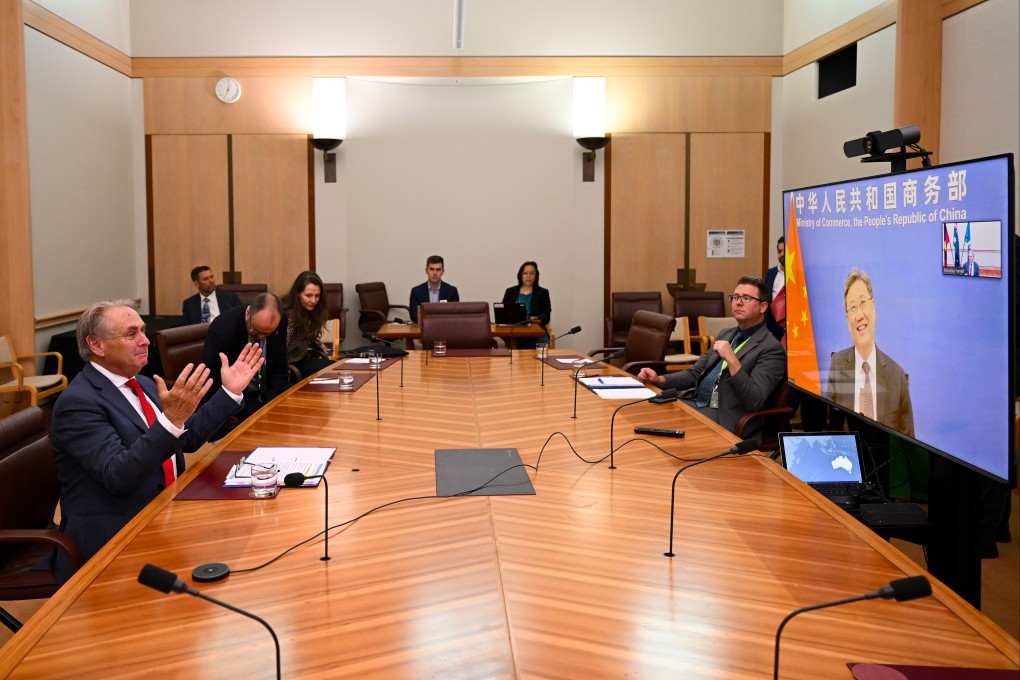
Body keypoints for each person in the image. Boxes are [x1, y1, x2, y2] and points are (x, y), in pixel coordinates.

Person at [51, 300, 262, 582]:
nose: (145, 341)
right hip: (115, 535)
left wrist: (229, 393)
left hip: (165, 512)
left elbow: (186, 440)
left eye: (143, 331)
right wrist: (170, 420)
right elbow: (118, 475)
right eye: (131, 334)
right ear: (96, 345)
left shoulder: (145, 383)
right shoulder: (78, 402)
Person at [637, 276, 786, 437]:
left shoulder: (771, 349)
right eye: (735, 297)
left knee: (658, 431)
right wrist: (659, 380)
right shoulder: (726, 334)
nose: (738, 302)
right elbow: (695, 373)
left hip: (726, 418)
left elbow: (754, 401)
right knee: (643, 415)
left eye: (746, 298)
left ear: (763, 307)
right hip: (696, 403)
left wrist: (733, 360)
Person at [824, 268, 914, 437]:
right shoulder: (838, 364)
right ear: (847, 321)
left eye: (863, 303)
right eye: (852, 308)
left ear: (873, 308)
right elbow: (833, 431)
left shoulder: (897, 376)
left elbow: (908, 445)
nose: (859, 315)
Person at [201, 292, 289, 422]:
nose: (262, 337)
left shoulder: (281, 319)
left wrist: (271, 402)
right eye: (256, 331)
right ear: (248, 314)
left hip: (269, 390)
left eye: (269, 333)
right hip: (240, 396)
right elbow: (212, 377)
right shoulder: (223, 327)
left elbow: (280, 364)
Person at [285, 271, 334, 378]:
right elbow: (281, 349)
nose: (314, 300)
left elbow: (306, 333)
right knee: (334, 371)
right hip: (290, 366)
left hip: (303, 359)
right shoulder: (290, 316)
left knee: (337, 368)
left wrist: (318, 343)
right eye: (308, 295)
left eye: (317, 296)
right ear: (298, 293)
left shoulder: (307, 310)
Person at [501, 260, 551, 350]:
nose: (528, 276)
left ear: (536, 276)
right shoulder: (510, 292)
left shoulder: (543, 293)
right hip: (513, 333)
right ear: (520, 275)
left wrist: (529, 318)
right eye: (525, 273)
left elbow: (546, 317)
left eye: (531, 273)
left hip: (535, 334)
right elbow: (503, 313)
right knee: (504, 344)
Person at [409, 255, 459, 323]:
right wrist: (430, 323)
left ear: (442, 272)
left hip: (444, 329)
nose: (435, 273)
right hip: (424, 329)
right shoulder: (416, 291)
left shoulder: (452, 291)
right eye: (431, 269)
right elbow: (414, 315)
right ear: (426, 271)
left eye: (438, 269)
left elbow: (454, 315)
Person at [764, 235, 786, 339]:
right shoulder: (771, 273)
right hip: (772, 325)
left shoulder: (800, 274)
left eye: (785, 251)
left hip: (791, 324)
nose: (782, 254)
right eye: (779, 251)